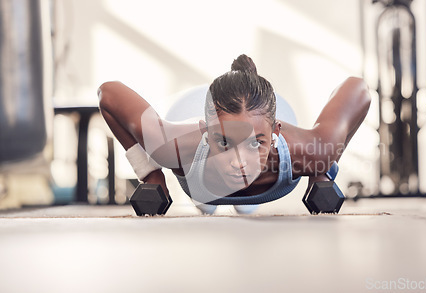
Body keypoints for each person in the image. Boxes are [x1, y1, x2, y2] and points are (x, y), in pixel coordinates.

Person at [98, 54, 371, 214]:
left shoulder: (310, 151)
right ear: (207, 134)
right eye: (225, 144)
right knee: (206, 207)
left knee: (247, 209)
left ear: (276, 134)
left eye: (255, 144)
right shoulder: (174, 148)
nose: (239, 161)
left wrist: (321, 169)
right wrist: (150, 172)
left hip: (271, 113)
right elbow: (108, 93)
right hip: (195, 119)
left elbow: (359, 89)